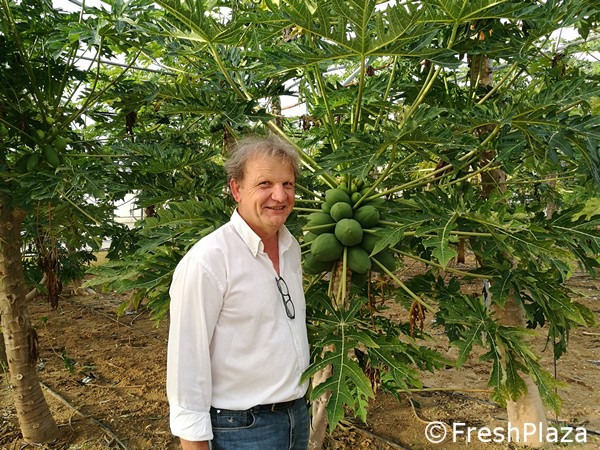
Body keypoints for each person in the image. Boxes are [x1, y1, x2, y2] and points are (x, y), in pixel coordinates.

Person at [166, 135, 311, 450]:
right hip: (241, 429)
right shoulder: (207, 262)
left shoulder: (291, 248)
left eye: (287, 184)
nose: (279, 195)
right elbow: (185, 371)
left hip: (297, 416)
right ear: (236, 189)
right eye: (265, 184)